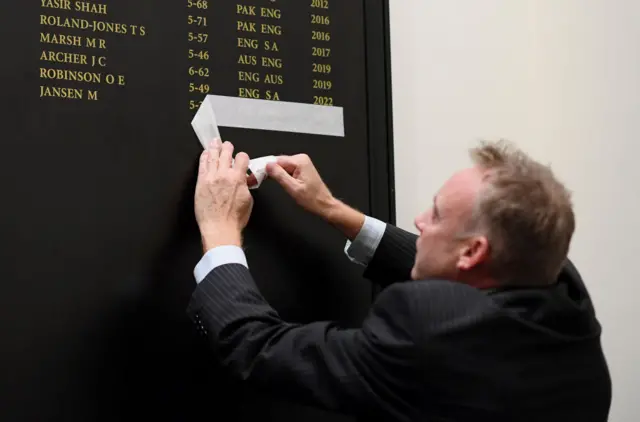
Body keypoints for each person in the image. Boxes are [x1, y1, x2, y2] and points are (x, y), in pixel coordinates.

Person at [187, 138, 611, 421]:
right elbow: (456, 263)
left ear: (472, 252)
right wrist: (333, 209)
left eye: (437, 215)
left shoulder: (425, 334)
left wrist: (220, 229)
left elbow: (259, 348)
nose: (419, 222)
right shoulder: (561, 289)